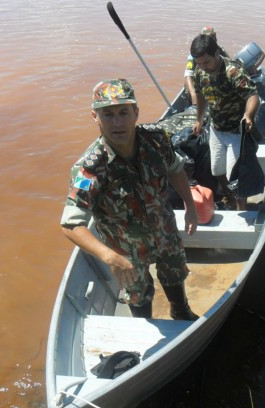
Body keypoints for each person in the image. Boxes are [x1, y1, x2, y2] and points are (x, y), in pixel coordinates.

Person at [60, 79, 200, 321]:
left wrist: (190, 206)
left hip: (164, 232)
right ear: (95, 117)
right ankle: (145, 327)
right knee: (138, 295)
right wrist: (109, 257)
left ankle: (181, 311)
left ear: (136, 112)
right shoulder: (89, 169)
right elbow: (71, 224)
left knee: (175, 274)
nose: (117, 122)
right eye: (108, 114)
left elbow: (175, 168)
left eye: (124, 112)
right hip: (126, 251)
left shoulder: (157, 140)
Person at [190, 33, 259, 210]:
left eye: (207, 62)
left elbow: (252, 96)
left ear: (217, 54)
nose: (203, 67)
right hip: (216, 129)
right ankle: (229, 195)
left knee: (235, 175)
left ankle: (240, 206)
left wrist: (248, 116)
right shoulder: (199, 73)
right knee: (217, 170)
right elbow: (200, 96)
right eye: (199, 63)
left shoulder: (232, 71)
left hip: (237, 131)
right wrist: (199, 120)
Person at [184, 26, 229, 107]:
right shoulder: (195, 54)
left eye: (211, 38)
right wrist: (194, 95)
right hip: (199, 85)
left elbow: (229, 66)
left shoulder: (220, 51)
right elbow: (188, 75)